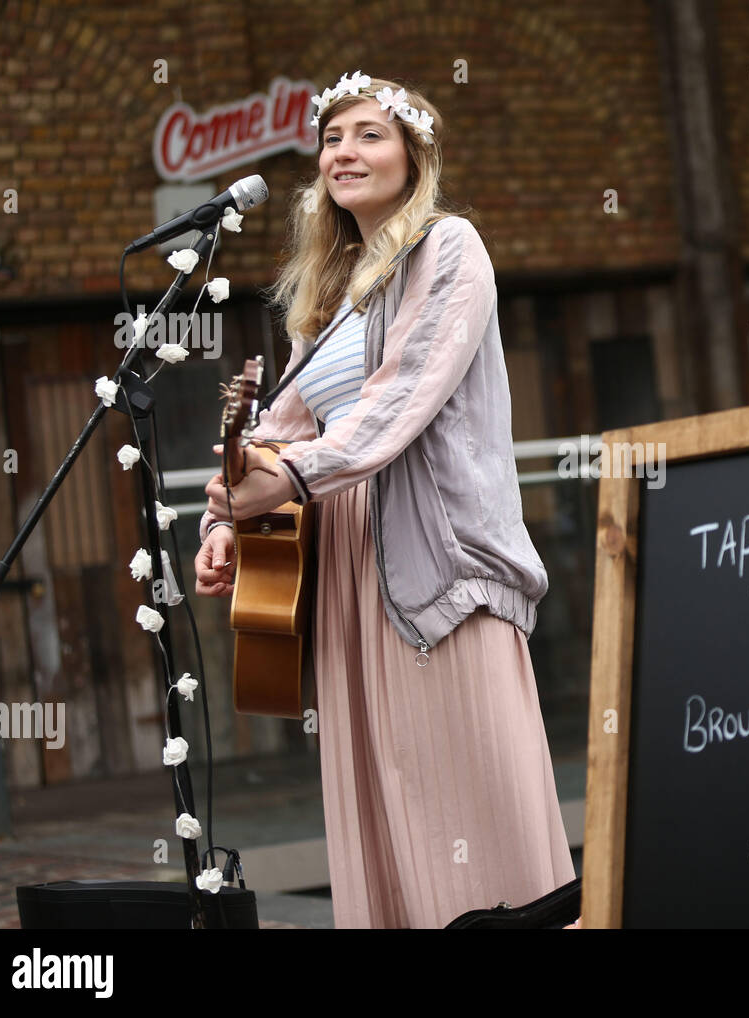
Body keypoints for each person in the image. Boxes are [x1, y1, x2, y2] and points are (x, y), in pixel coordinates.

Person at [192, 71, 576, 928]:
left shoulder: (451, 249)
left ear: (414, 155)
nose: (344, 152)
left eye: (369, 134)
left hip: (435, 571)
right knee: (379, 806)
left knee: (469, 806)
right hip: (343, 573)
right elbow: (280, 426)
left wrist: (288, 477)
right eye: (332, 138)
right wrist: (223, 519)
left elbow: (398, 401)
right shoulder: (328, 292)